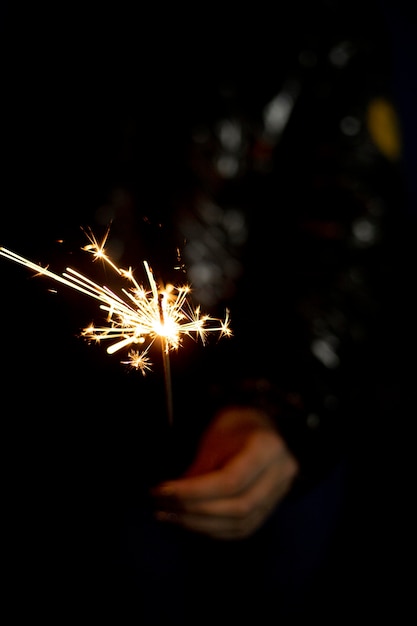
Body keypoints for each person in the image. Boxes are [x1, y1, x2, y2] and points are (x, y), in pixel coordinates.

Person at [1, 1, 415, 624]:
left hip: (279, 443)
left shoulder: (326, 19)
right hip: (87, 441)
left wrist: (282, 404)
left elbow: (351, 232)